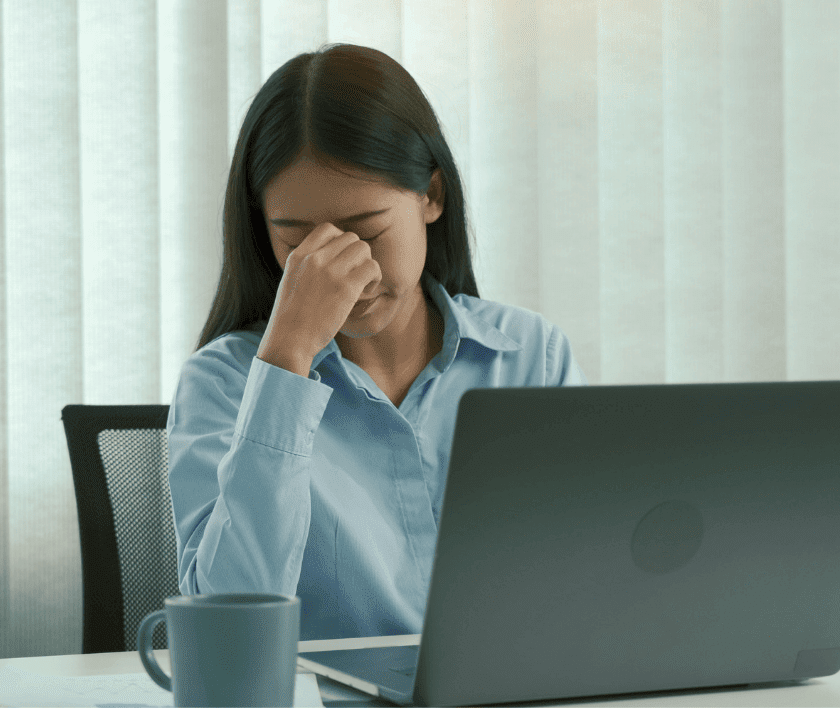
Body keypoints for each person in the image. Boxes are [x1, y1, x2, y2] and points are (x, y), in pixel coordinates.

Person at [166, 43, 587, 641]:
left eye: (366, 232)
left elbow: (590, 578)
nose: (344, 272)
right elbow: (229, 627)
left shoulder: (529, 355)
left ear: (431, 197)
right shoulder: (223, 382)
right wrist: (286, 362)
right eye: (298, 242)